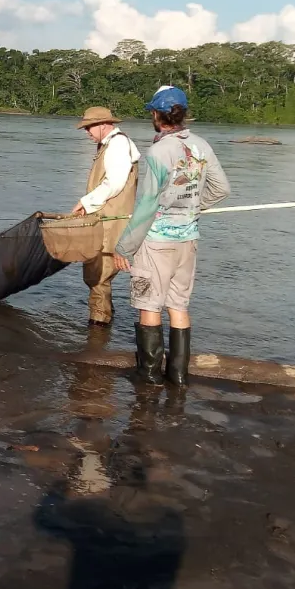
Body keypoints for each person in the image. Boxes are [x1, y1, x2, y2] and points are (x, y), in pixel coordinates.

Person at [113, 86, 230, 386]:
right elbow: (221, 189)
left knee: (149, 305)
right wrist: (191, 206)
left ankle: (149, 376)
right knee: (178, 305)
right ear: (182, 113)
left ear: (156, 114)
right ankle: (178, 376)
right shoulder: (202, 145)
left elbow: (147, 206)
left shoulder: (156, 152)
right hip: (188, 239)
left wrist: (124, 248)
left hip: (156, 242)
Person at [70, 106, 141, 328]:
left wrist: (86, 201)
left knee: (99, 273)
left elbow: (114, 183)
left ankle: (98, 328)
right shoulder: (109, 144)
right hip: (103, 218)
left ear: (103, 124)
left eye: (89, 127)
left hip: (111, 221)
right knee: (96, 274)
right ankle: (101, 327)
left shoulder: (118, 144)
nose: (87, 132)